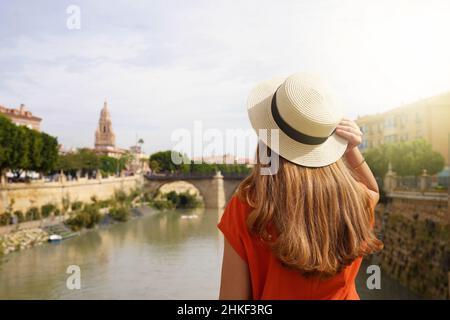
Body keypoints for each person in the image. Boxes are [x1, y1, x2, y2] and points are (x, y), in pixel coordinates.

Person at [218, 72, 383, 300]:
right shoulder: (355, 201)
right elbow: (373, 191)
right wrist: (351, 149)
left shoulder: (248, 208)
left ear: (267, 138)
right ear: (328, 140)